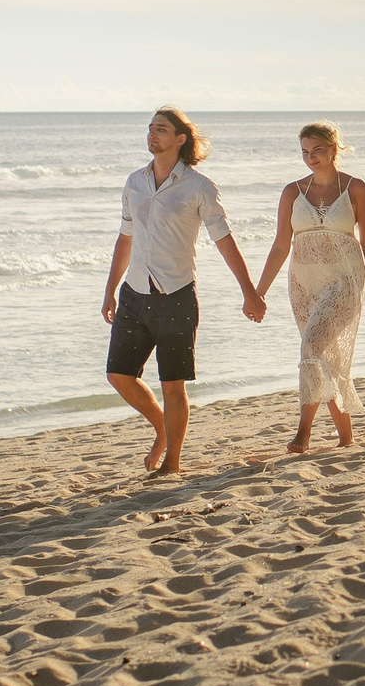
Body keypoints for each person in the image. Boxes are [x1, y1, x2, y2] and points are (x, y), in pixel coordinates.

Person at [102, 107, 264, 474]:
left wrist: (249, 292)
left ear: (180, 139)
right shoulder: (134, 182)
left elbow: (223, 239)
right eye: (150, 128)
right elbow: (125, 239)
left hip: (176, 294)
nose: (152, 134)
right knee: (119, 374)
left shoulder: (199, 187)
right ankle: (162, 428)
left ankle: (172, 461)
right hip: (134, 292)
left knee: (172, 385)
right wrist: (110, 290)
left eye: (161, 129)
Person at [251, 121, 365, 452]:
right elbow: (281, 245)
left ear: (334, 150)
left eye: (317, 151)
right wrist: (258, 292)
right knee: (323, 355)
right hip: (303, 285)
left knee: (310, 349)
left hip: (345, 282)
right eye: (305, 152)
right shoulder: (293, 192)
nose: (311, 158)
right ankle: (346, 437)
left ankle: (303, 435)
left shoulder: (356, 189)